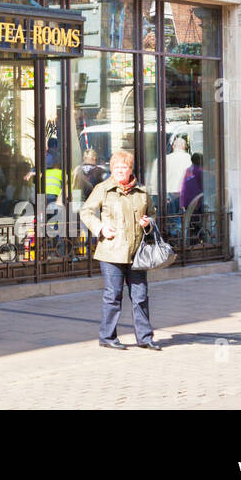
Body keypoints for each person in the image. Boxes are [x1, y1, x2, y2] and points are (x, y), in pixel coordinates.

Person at [79, 150, 158, 350]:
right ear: (112, 169)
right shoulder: (104, 188)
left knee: (140, 296)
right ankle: (107, 336)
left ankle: (145, 337)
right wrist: (100, 228)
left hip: (136, 252)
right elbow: (86, 211)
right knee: (113, 296)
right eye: (116, 167)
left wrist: (147, 222)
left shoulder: (141, 191)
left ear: (131, 169)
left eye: (124, 167)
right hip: (111, 252)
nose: (120, 171)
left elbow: (152, 214)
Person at [162, 137, 191, 214]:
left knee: (171, 217)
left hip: (169, 192)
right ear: (184, 147)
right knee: (182, 217)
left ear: (173, 147)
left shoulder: (166, 158)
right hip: (183, 192)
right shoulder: (188, 158)